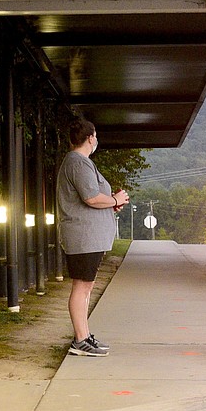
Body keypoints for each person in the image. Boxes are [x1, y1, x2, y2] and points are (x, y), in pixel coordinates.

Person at [57, 119, 129, 357]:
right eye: (95, 136)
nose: (96, 140)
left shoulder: (80, 162)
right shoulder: (78, 163)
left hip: (88, 237)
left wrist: (110, 204)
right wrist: (115, 200)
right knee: (81, 286)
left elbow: (97, 199)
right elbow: (91, 197)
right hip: (83, 236)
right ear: (90, 138)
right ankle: (80, 340)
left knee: (86, 286)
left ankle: (85, 335)